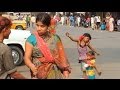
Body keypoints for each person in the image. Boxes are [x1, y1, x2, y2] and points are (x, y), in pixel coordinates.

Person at [24, 13, 71, 79]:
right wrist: (31, 65)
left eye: (42, 26)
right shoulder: (31, 39)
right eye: (37, 25)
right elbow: (26, 57)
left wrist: (65, 70)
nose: (39, 28)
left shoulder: (55, 38)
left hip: (54, 71)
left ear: (48, 26)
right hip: (38, 72)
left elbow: (62, 55)